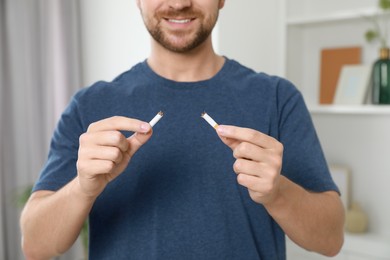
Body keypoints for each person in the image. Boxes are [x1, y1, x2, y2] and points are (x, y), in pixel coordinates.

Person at [20, 0, 345, 259]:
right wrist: (83, 189)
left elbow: (330, 240)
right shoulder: (90, 107)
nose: (179, 3)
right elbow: (35, 245)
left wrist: (278, 194)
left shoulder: (277, 98)